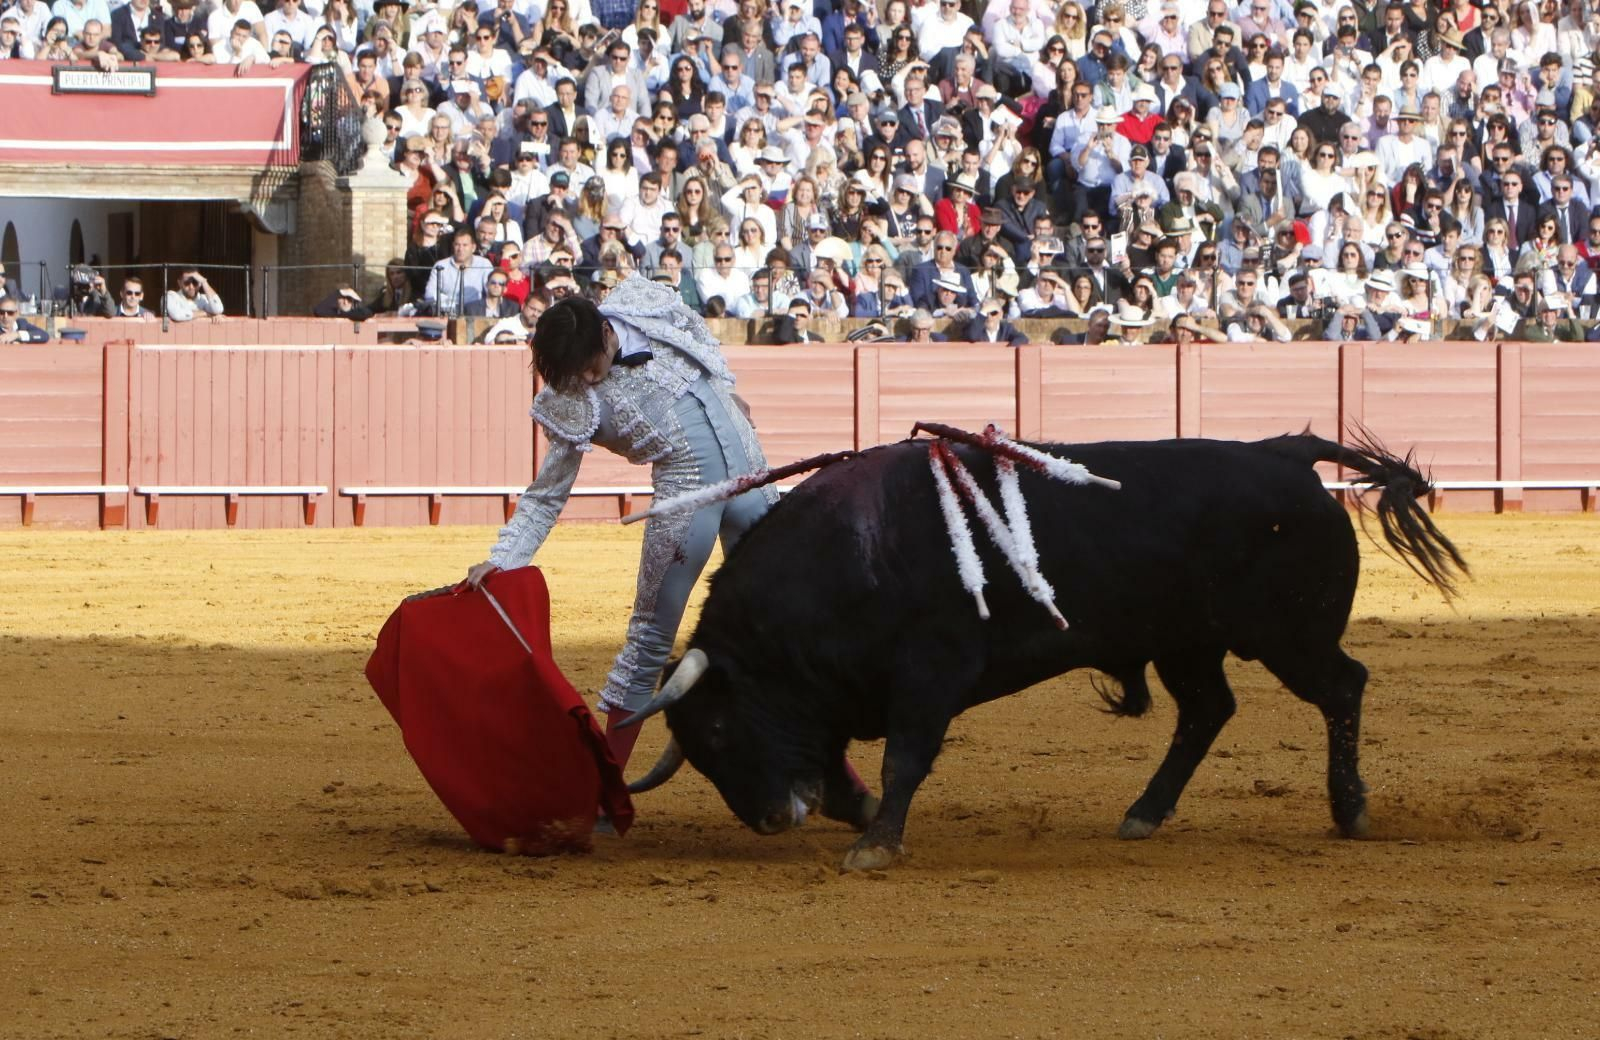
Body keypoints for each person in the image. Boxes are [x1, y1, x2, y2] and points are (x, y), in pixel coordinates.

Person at [463, 277, 871, 807]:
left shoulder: (641, 306)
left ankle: (839, 780)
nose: (587, 379)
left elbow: (700, 345)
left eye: (590, 364)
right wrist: (502, 561)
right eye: (574, 374)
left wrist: (723, 392)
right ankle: (604, 794)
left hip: (752, 477)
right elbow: (546, 496)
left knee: (789, 632)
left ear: (607, 333)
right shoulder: (571, 397)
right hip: (686, 502)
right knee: (651, 638)